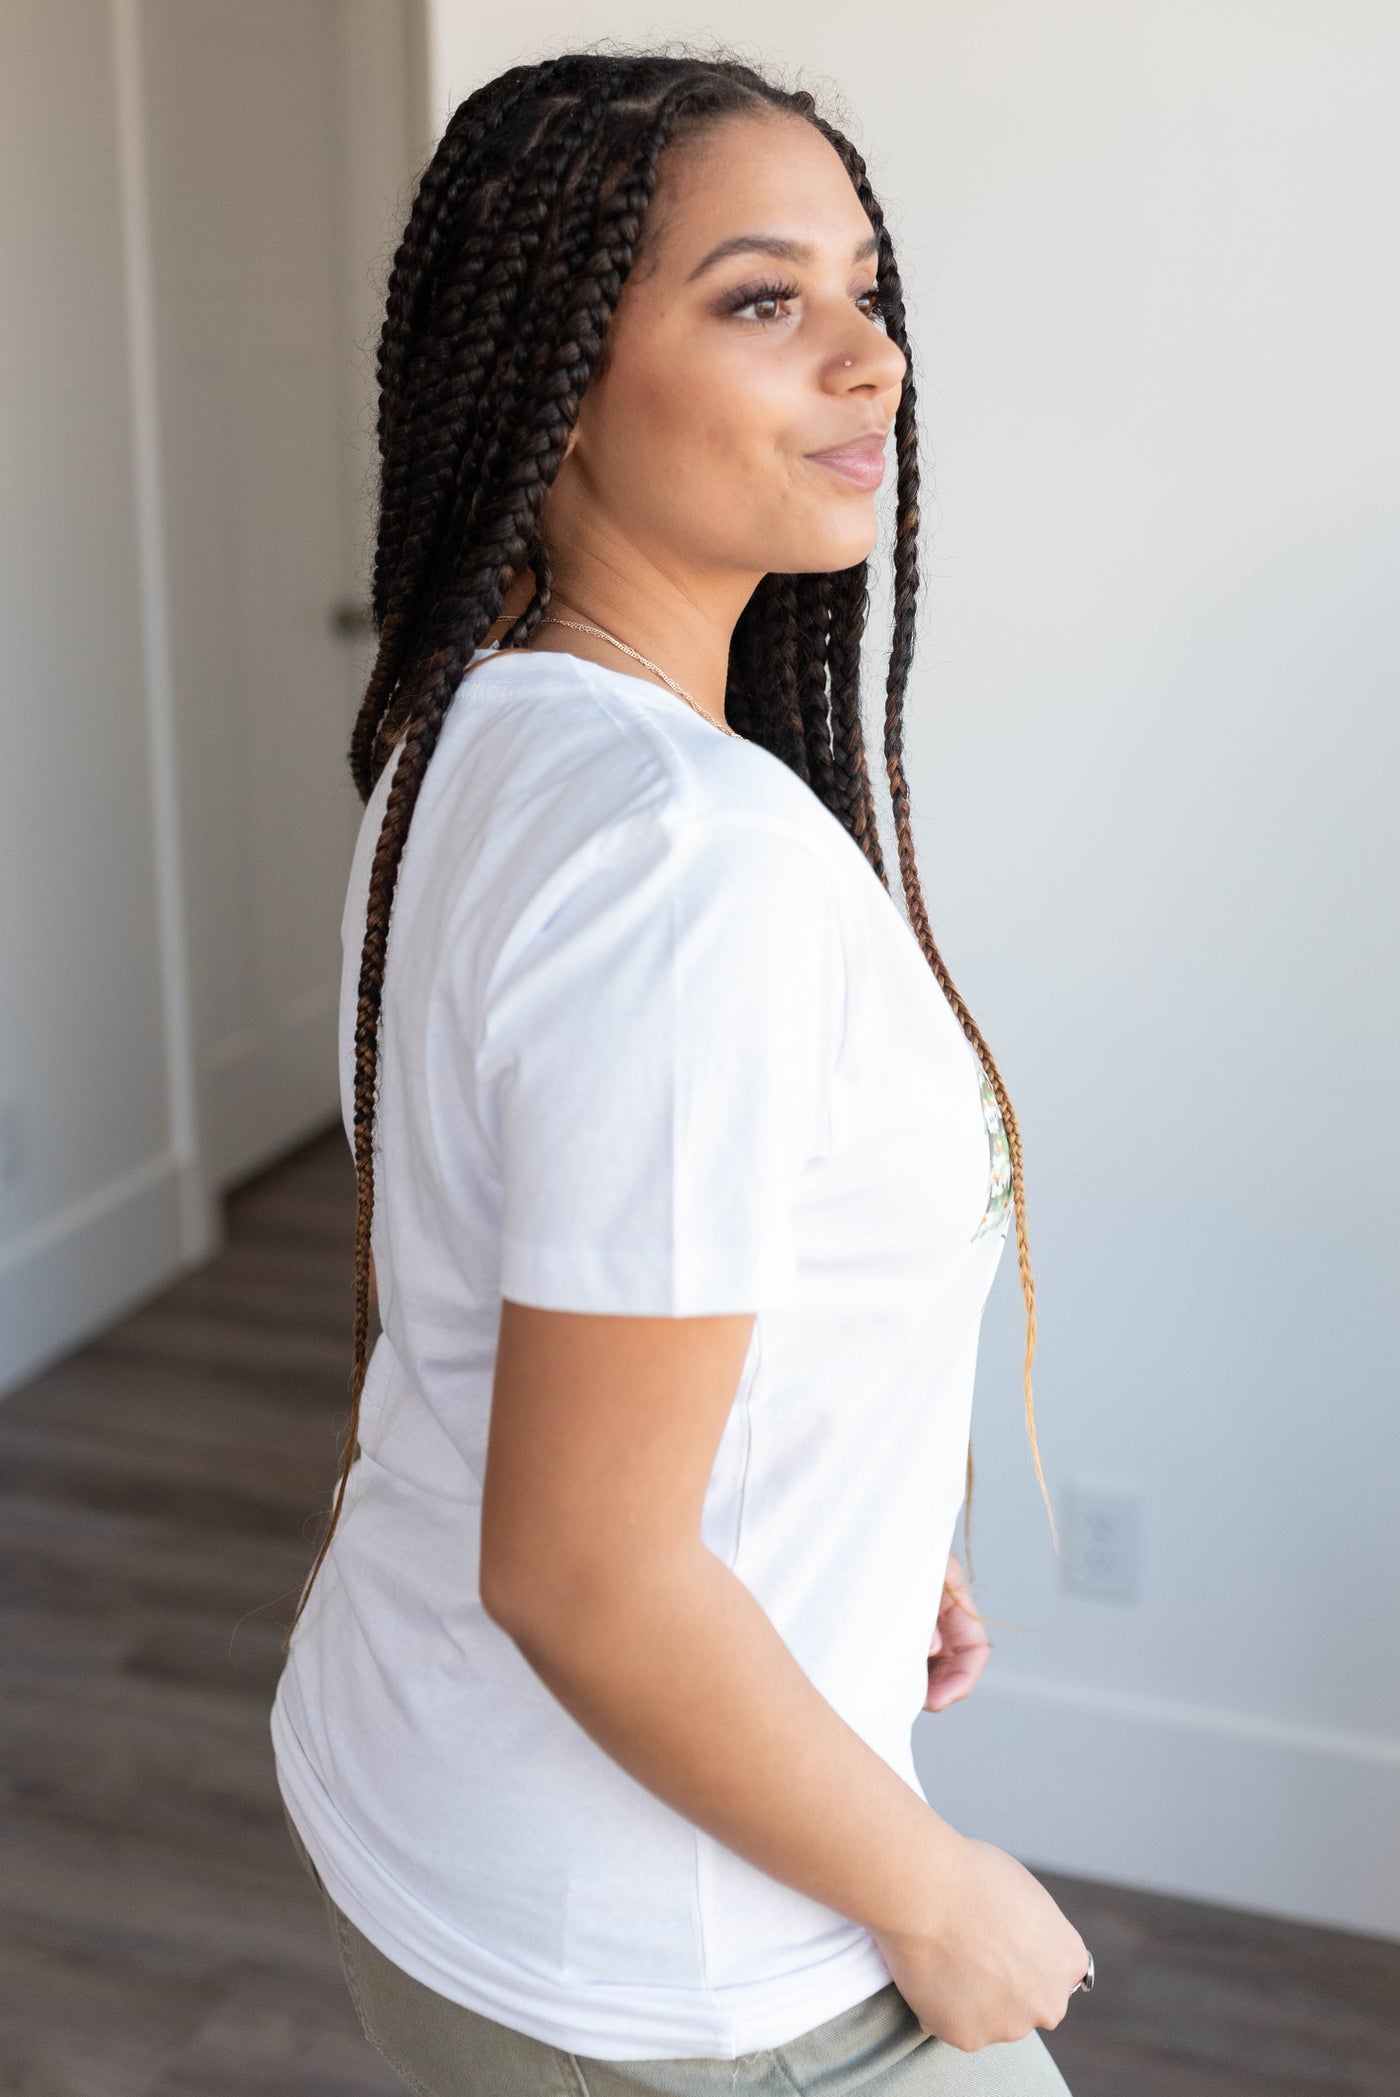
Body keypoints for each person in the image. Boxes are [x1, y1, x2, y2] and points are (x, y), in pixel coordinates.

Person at [269, 44, 1092, 2096]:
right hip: (695, 1955)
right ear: (550, 379)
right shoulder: (683, 861)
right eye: (760, 298)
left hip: (430, 1804)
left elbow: (542, 1268)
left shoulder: (471, 729)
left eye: (864, 286)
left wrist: (851, 1489)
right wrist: (932, 1886)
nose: (871, 360)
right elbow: (585, 1561)